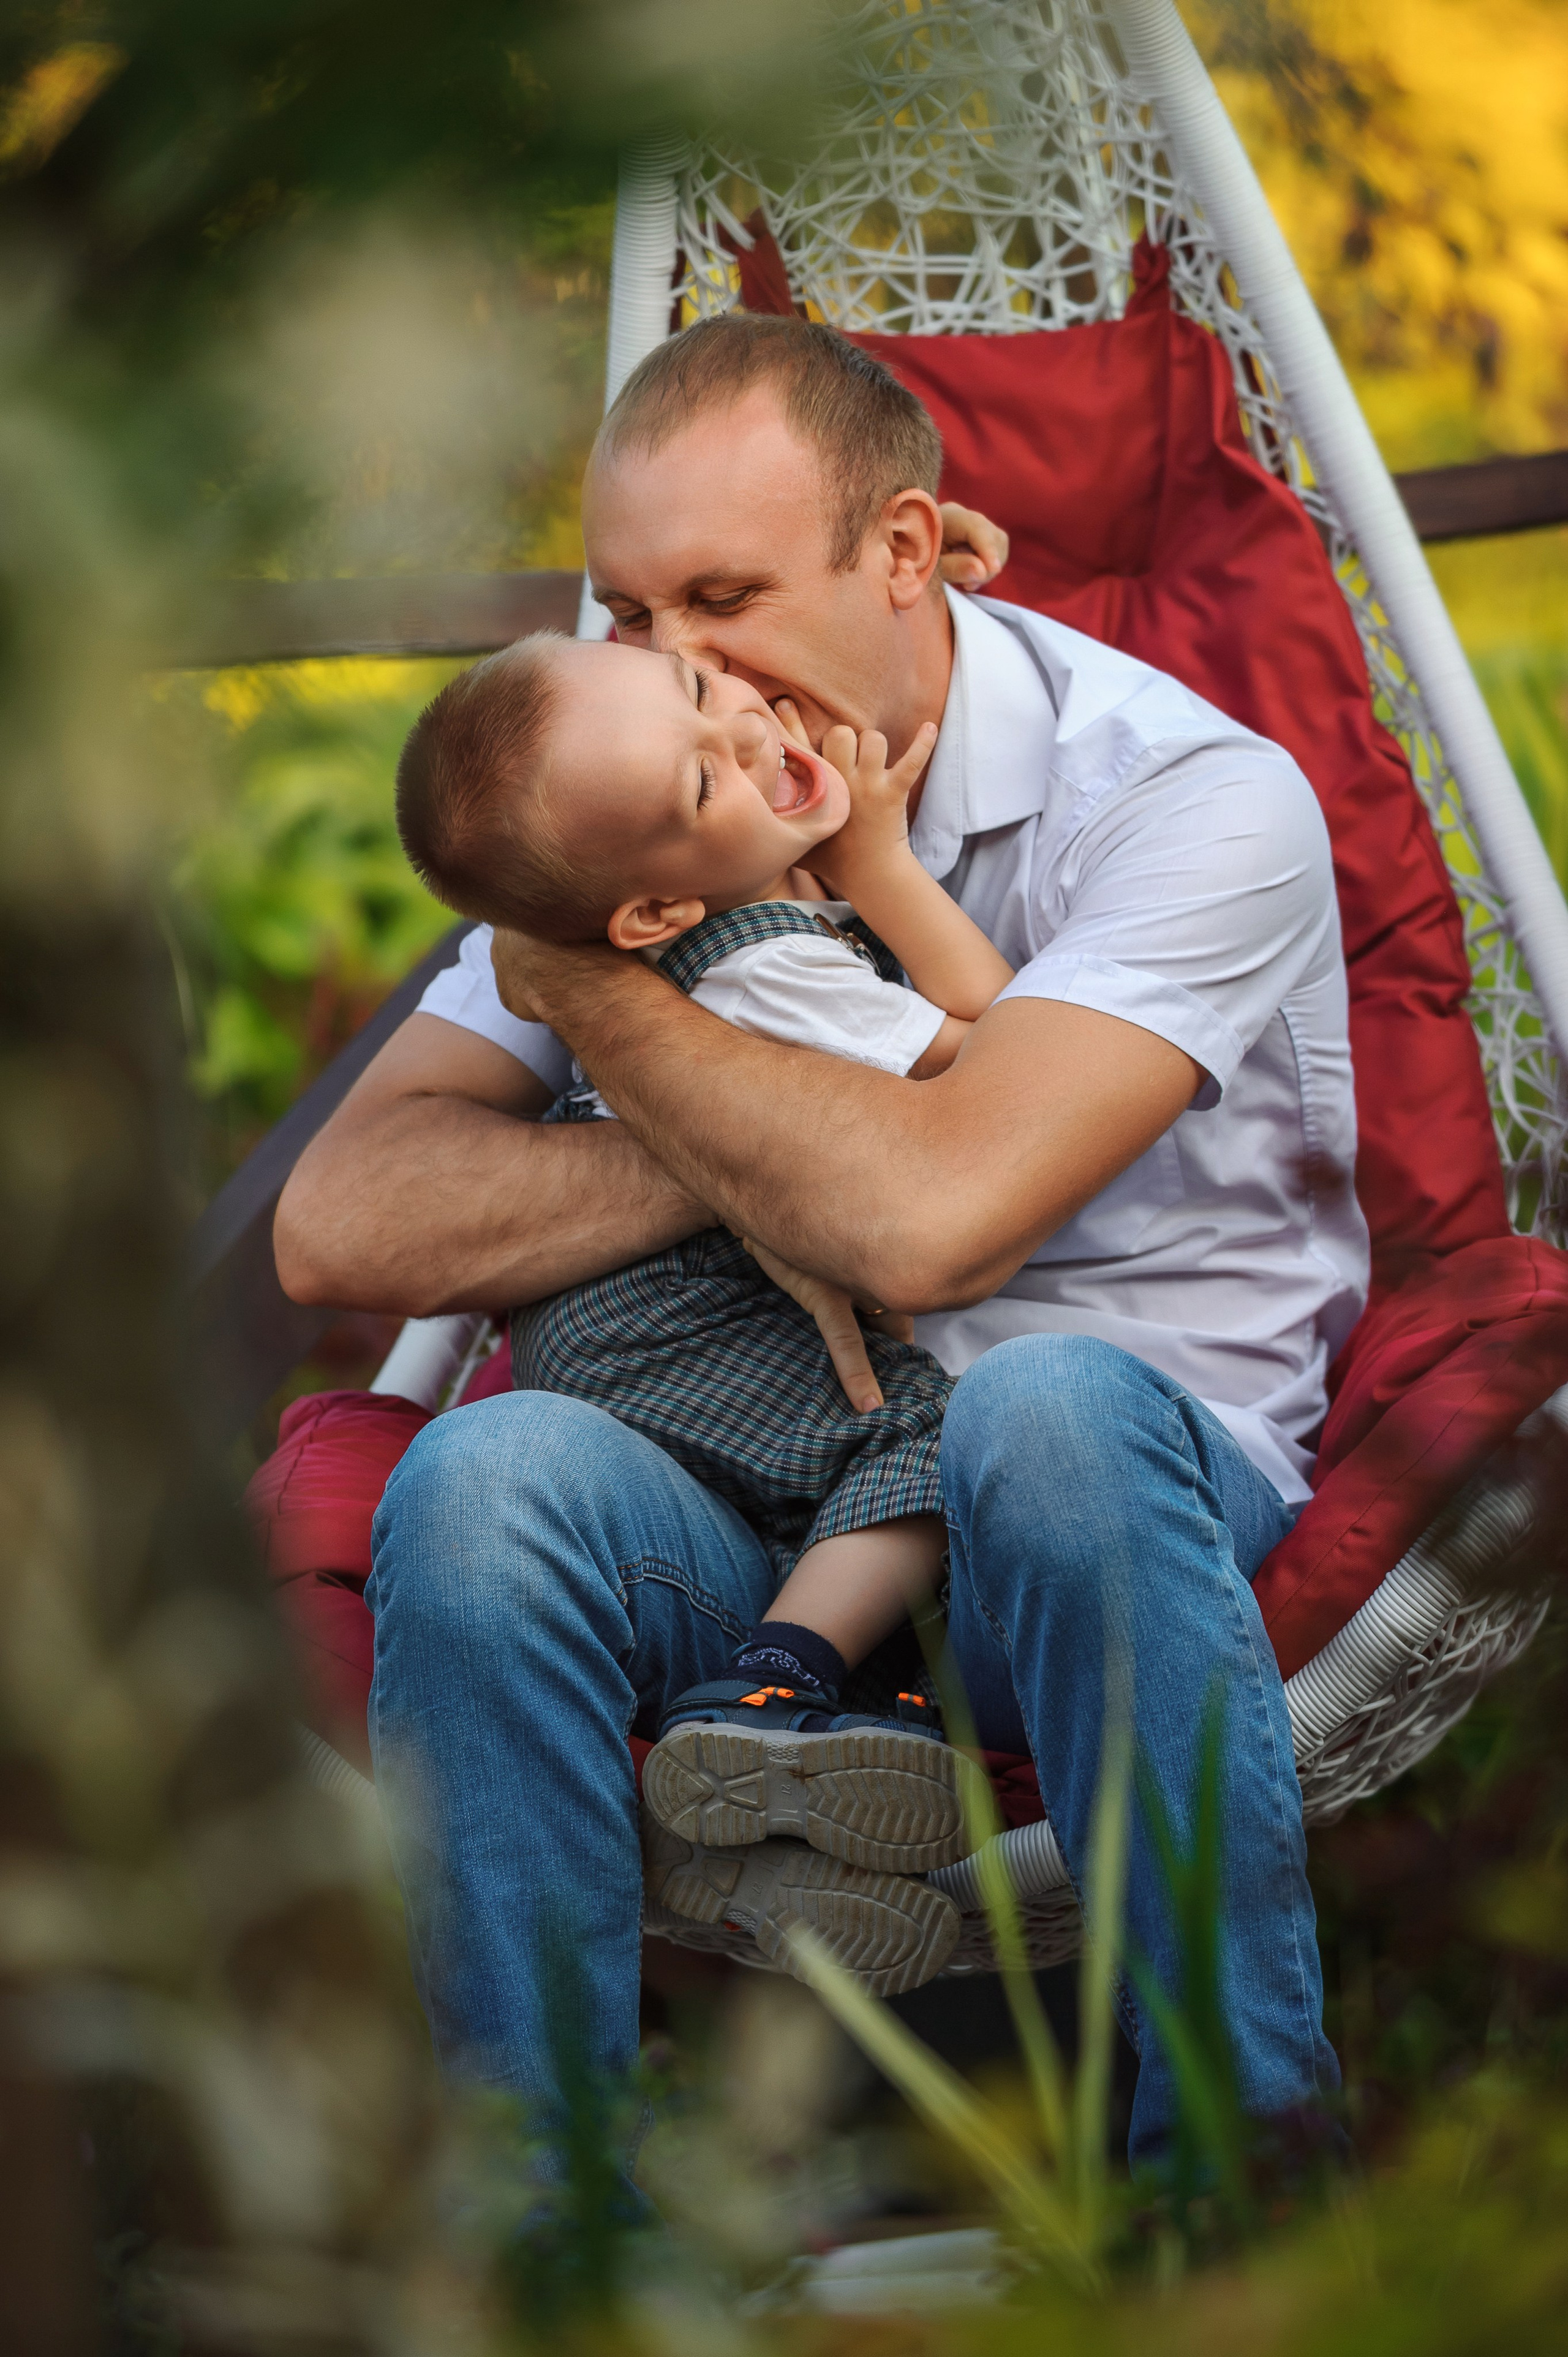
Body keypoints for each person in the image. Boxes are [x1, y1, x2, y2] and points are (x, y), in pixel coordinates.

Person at [275, 312, 1366, 2167]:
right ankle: (549, 2230)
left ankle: (1238, 2179)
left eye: (724, 597)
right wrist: (743, 1120)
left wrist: (592, 1001)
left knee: (1041, 1410)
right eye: (631, 611)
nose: (680, 665)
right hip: (749, 1513)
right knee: (482, 1476)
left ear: (906, 551)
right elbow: (341, 1221)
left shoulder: (1186, 799)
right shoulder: (640, 783)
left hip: (1104, 1517)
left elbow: (933, 1221)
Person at [391, 630, 1023, 1968]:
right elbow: (994, 1061)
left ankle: (768, 1822)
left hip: (599, 1343)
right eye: (699, 785)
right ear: (654, 913)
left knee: (831, 1485)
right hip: (681, 1322)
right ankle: (773, 1683)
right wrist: (880, 864)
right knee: (923, 1440)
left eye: (698, 687)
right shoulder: (765, 965)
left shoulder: (647, 949)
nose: (741, 732)